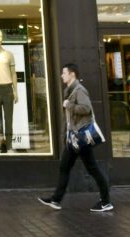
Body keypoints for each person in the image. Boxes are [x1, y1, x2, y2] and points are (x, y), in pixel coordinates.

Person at [40, 63, 113, 213]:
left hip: (81, 138)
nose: (62, 76)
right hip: (74, 138)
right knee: (64, 166)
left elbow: (86, 108)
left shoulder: (79, 90)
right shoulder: (71, 91)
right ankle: (56, 199)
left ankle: (106, 202)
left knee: (92, 168)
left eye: (64, 73)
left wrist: (69, 105)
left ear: (72, 74)